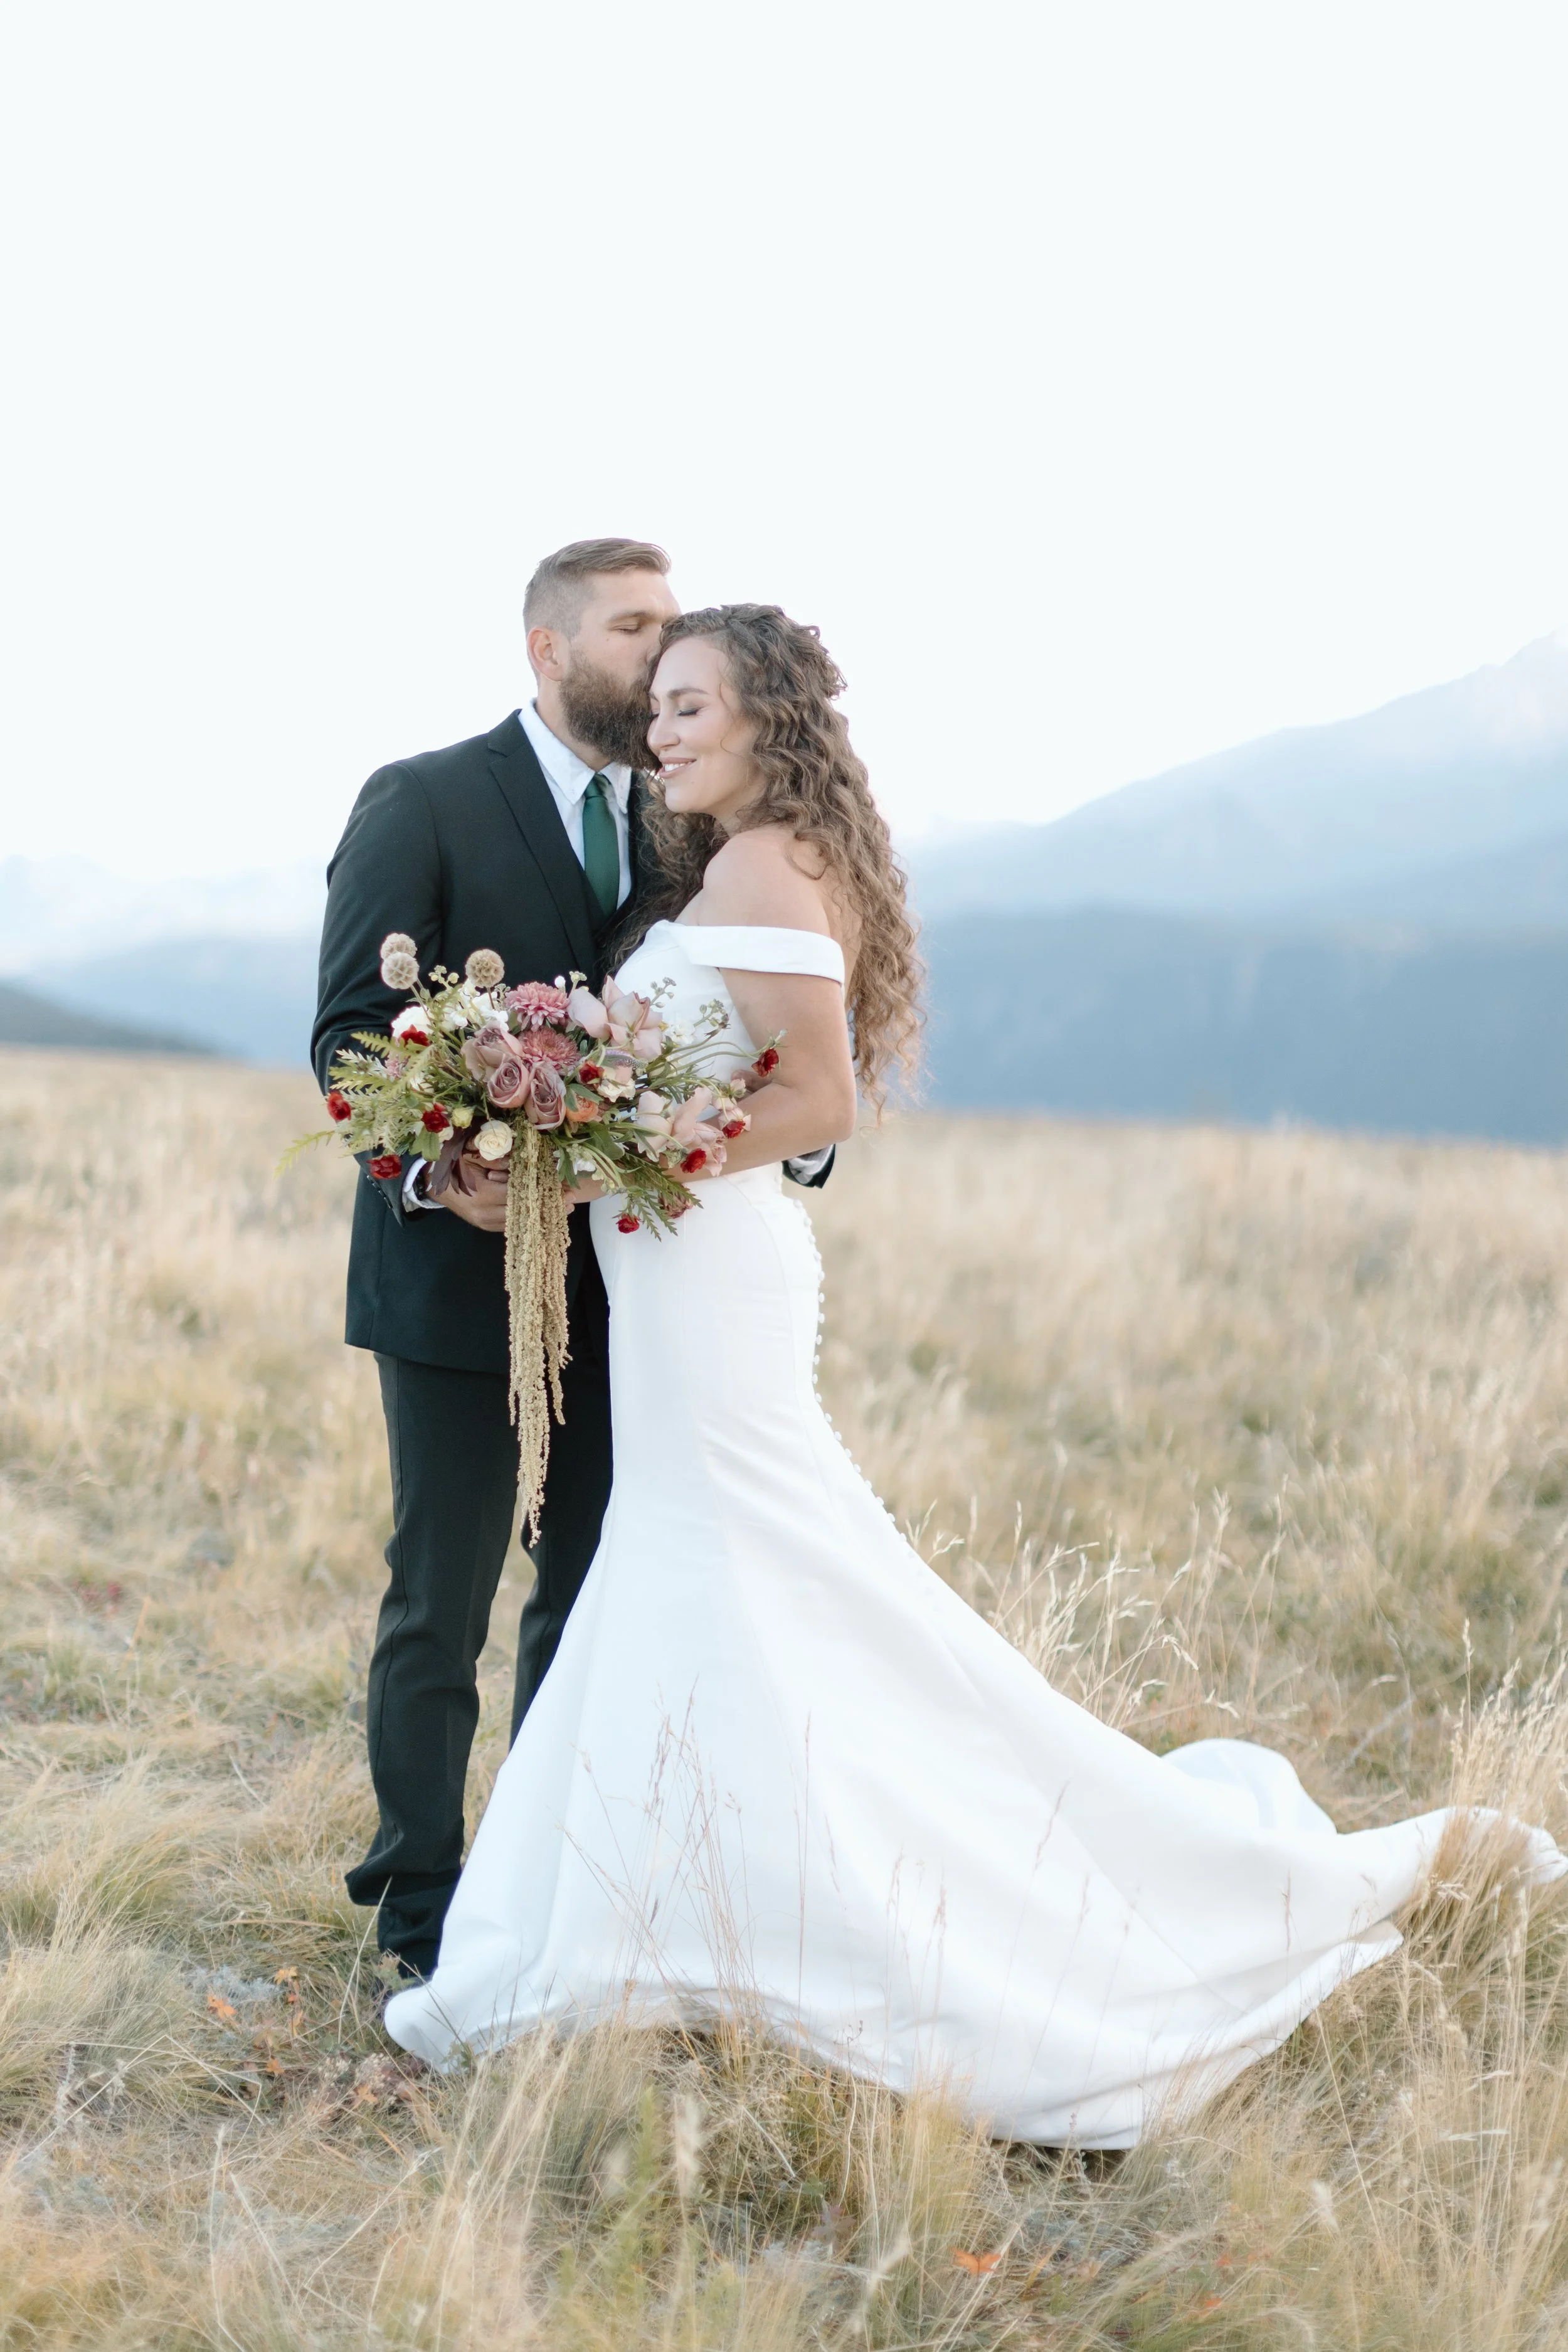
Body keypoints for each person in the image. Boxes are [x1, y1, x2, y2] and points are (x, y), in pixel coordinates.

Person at [383, 603, 1564, 2146]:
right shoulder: (747, 861)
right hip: (670, 1265)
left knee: (736, 1555)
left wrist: (607, 1151)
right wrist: (559, 1152)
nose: (663, 731)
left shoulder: (765, 863)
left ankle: (729, 1917)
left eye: (691, 706)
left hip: (711, 1272)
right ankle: (671, 1911)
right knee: (722, 1567)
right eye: (655, 707)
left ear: (768, 715)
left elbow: (821, 1097)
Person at [313, 543, 836, 1983]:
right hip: (447, 1287)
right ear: (547, 651)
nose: (661, 655)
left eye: (672, 631)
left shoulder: (692, 826)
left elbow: (761, 1026)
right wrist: (438, 1168)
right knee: (438, 1597)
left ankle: (549, 1894)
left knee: (596, 1590)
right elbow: (353, 1033)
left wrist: (775, 1145)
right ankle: (418, 1904)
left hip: (645, 1291)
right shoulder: (419, 800)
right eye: (632, 628)